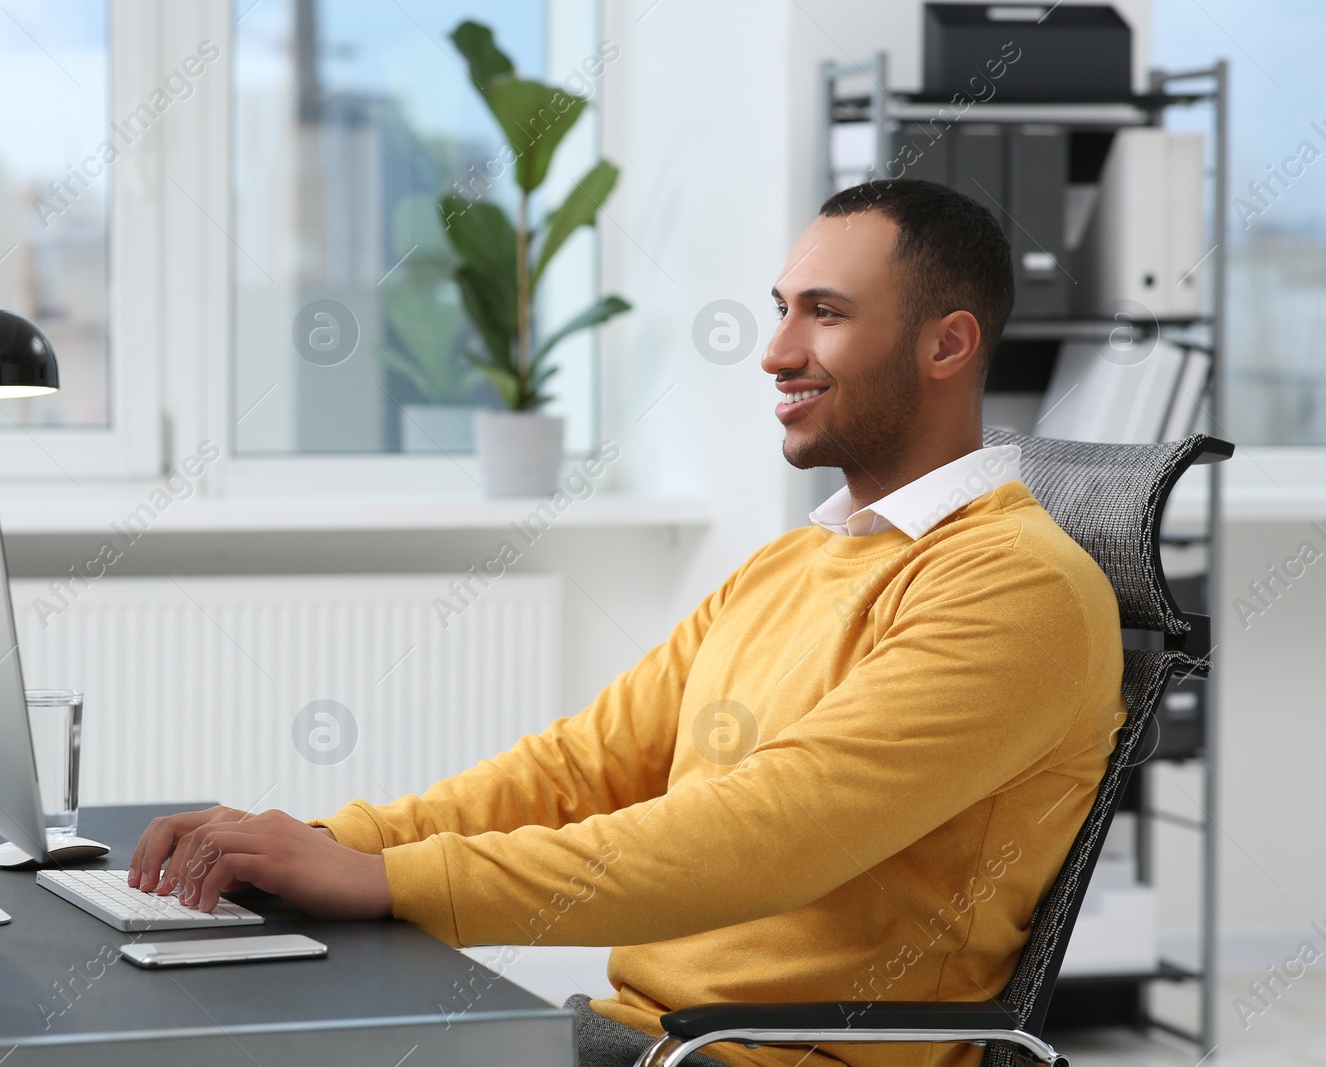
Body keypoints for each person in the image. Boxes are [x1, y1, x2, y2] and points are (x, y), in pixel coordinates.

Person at [127, 178, 1125, 1067]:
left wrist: (389, 879)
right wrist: (316, 843)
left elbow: (768, 834)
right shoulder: (795, 560)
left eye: (823, 314)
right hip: (637, 1035)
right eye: (780, 310)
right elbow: (579, 769)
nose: (776, 350)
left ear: (946, 342)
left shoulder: (1016, 588)